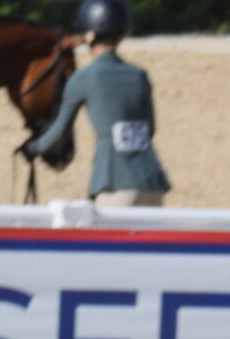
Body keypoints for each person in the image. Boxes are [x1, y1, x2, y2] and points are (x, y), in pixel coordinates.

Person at [19, 0, 172, 209]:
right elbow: (150, 129)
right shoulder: (139, 75)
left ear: (89, 35)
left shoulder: (84, 78)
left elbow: (60, 133)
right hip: (153, 184)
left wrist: (34, 148)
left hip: (114, 182)